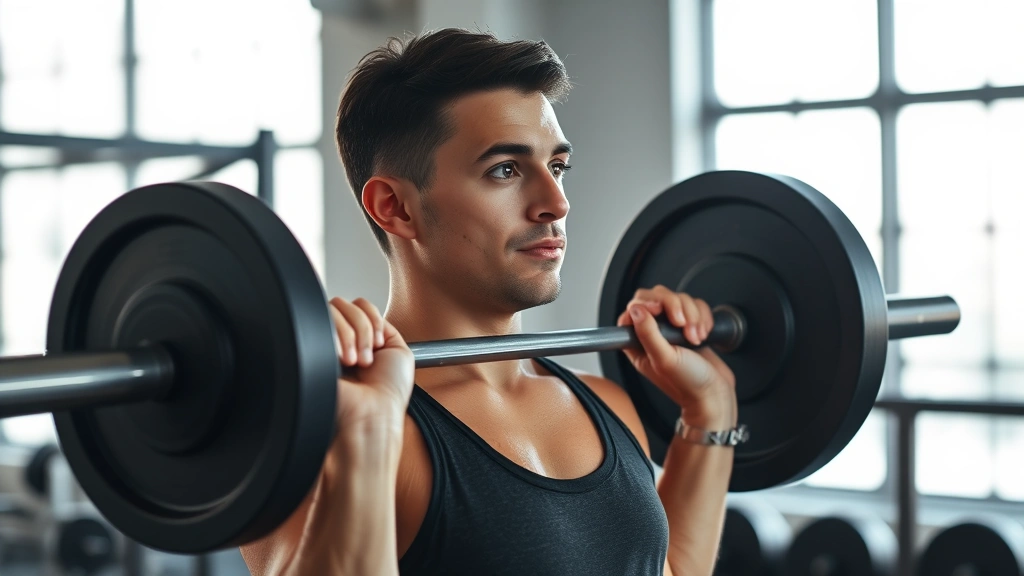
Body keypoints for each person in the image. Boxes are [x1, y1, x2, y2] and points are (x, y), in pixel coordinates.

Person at [240, 28, 739, 576]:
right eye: (504, 170)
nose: (556, 202)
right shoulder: (336, 429)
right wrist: (361, 436)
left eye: (557, 166)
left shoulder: (608, 409)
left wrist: (709, 411)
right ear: (396, 208)